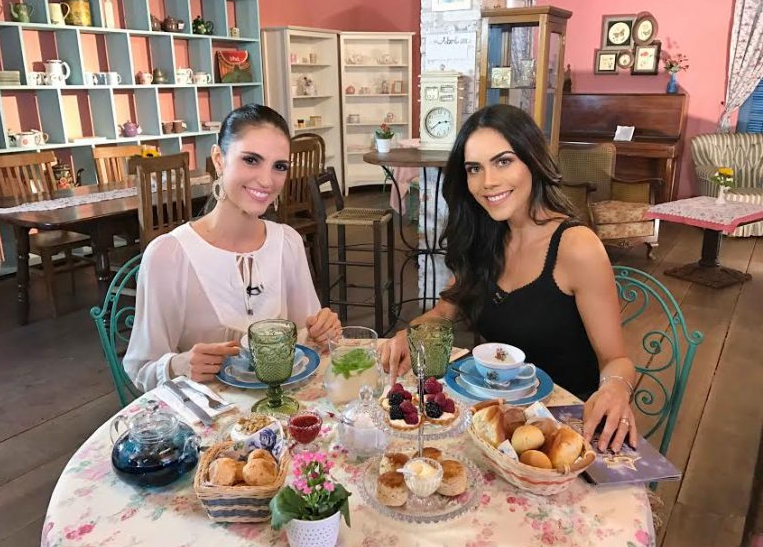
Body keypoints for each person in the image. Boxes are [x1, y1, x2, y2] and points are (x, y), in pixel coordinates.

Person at [381, 104, 637, 453]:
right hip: (497, 419)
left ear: (532, 160)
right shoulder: (483, 236)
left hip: (565, 429)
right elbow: (443, 313)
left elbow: (616, 359)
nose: (487, 182)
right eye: (474, 168)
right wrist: (407, 334)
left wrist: (616, 388)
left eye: (503, 161)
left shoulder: (576, 247)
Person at [124, 104, 340, 391]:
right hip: (206, 415)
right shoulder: (169, 256)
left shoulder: (288, 243)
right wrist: (179, 364)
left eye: (279, 166)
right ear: (219, 159)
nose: (266, 180)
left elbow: (309, 339)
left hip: (284, 409)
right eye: (251, 160)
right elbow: (141, 369)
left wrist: (323, 329)